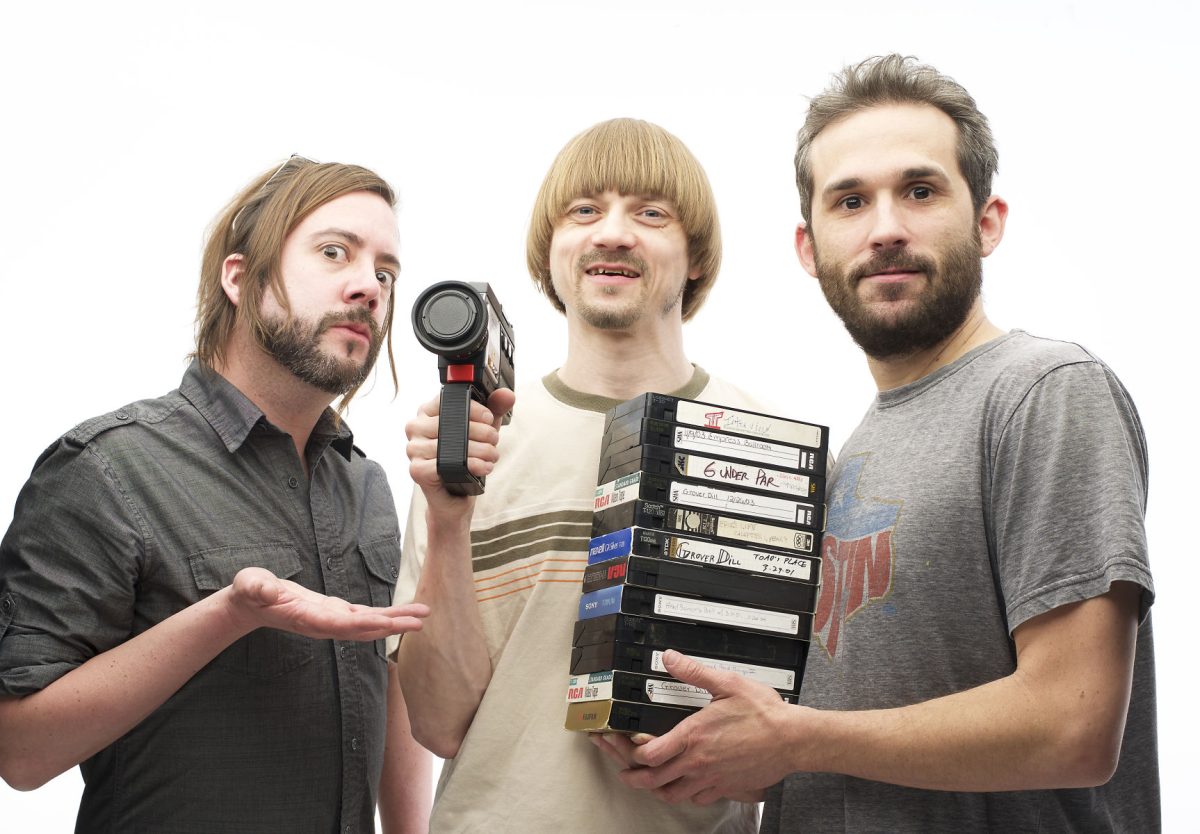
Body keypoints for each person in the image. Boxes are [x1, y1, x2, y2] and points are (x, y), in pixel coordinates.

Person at [610, 55, 1159, 832]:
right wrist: (713, 749)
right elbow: (848, 745)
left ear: (988, 221)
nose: (886, 228)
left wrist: (796, 740)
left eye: (921, 191)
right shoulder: (854, 456)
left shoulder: (1046, 392)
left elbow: (1073, 725)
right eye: (850, 201)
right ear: (810, 248)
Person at [0, 156, 433, 833]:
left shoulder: (366, 483)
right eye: (333, 252)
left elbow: (390, 684)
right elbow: (20, 752)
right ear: (240, 277)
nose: (368, 289)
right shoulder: (107, 468)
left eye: (385, 273)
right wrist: (230, 614)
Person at [387, 118, 760, 832]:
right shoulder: (469, 447)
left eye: (651, 213)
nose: (612, 233)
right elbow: (437, 723)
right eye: (584, 211)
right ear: (549, 252)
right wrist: (447, 517)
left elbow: (797, 725)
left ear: (696, 258)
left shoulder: (766, 442)